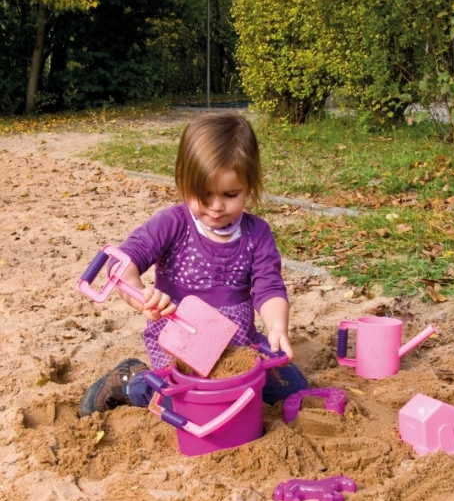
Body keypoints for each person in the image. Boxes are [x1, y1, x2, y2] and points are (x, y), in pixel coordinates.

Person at [80, 111, 308, 417]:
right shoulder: (172, 224)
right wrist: (141, 296)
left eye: (231, 194)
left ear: (250, 186)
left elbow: (269, 287)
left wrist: (277, 327)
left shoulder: (256, 233)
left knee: (293, 387)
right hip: (180, 350)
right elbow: (124, 263)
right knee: (182, 404)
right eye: (204, 194)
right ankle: (130, 380)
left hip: (235, 346)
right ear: (183, 180)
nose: (216, 207)